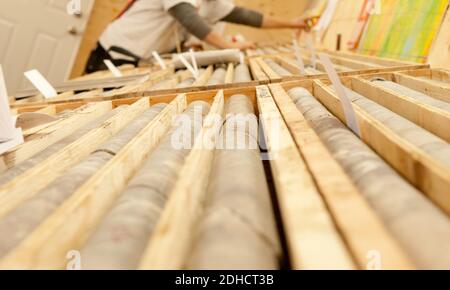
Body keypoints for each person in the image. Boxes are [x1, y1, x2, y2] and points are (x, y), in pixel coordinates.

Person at [85, 0, 310, 73]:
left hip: (140, 60)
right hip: (114, 54)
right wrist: (231, 48)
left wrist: (294, 23)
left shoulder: (210, 2)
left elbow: (249, 17)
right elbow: (190, 20)